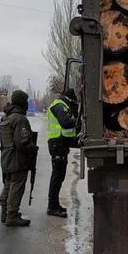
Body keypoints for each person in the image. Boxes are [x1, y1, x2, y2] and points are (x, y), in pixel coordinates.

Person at [0, 89, 37, 227]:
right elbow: (23, 142)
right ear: (21, 102)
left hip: (6, 157)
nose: (27, 104)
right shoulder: (20, 119)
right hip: (17, 159)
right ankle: (12, 215)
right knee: (17, 186)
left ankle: (5, 213)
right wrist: (33, 148)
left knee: (8, 184)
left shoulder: (6, 117)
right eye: (25, 101)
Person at [46, 88, 78, 218]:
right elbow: (65, 124)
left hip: (61, 144)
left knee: (59, 176)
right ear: (70, 99)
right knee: (57, 176)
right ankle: (52, 207)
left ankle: (54, 205)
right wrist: (77, 120)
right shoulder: (59, 106)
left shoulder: (61, 105)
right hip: (57, 145)